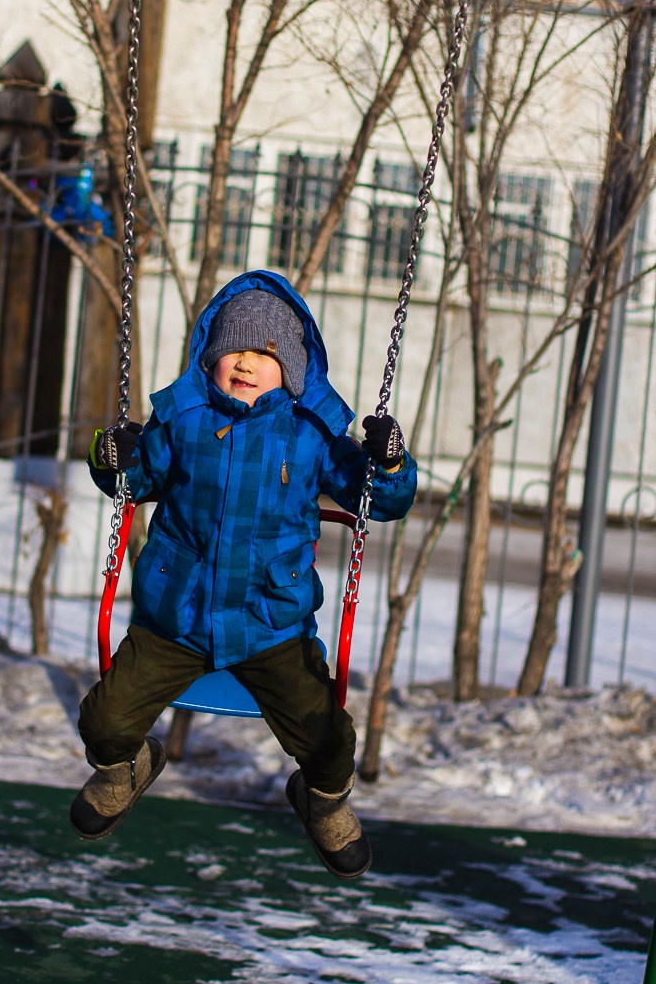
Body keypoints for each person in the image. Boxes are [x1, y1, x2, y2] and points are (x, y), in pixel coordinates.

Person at [71, 270, 417, 878]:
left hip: (271, 625)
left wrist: (388, 462)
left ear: (292, 369)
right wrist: (111, 454)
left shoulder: (312, 433)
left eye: (266, 353)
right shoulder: (181, 420)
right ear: (211, 356)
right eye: (235, 348)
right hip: (175, 617)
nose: (248, 362)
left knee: (330, 740)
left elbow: (378, 498)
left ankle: (323, 800)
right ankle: (124, 768)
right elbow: (134, 480)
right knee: (102, 722)